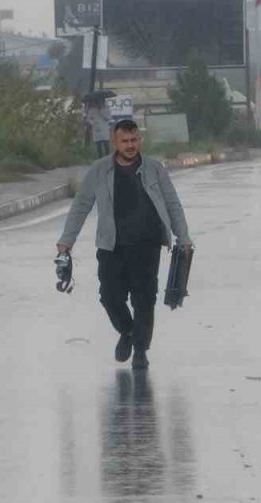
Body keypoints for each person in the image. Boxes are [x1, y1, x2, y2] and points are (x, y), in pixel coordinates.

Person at [57, 119, 193, 370]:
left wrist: (182, 237)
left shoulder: (154, 169)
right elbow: (80, 206)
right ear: (115, 142)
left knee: (144, 299)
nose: (131, 146)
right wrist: (66, 241)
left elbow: (173, 204)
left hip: (147, 244)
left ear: (139, 140)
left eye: (134, 140)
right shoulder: (99, 171)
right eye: (125, 141)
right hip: (112, 246)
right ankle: (128, 332)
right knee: (110, 296)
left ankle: (140, 350)